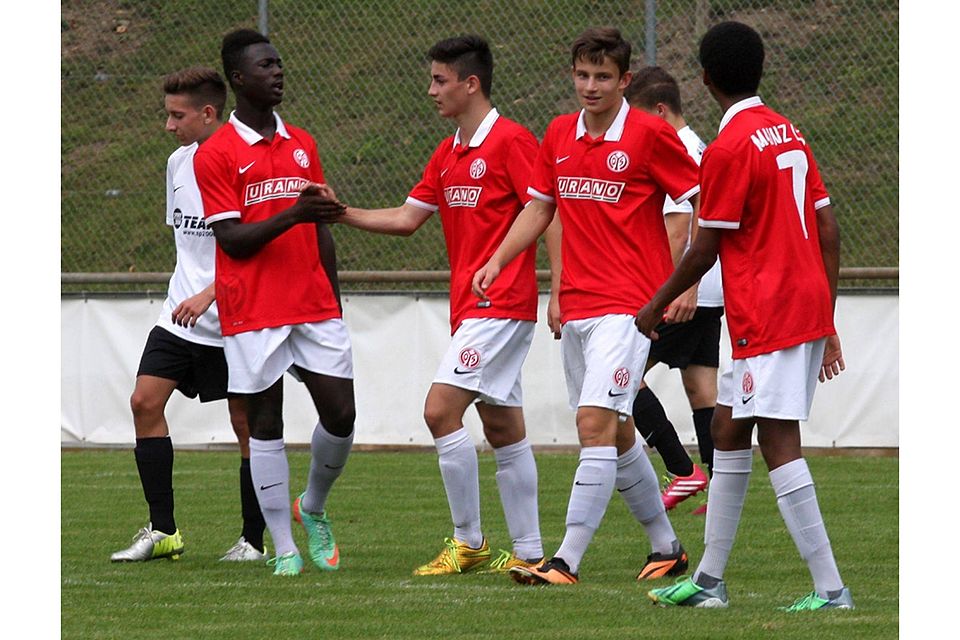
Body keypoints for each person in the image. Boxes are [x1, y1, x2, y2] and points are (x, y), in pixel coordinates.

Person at [473, 27, 699, 586]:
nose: (591, 86)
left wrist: (687, 281)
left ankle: (565, 560)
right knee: (618, 432)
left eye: (603, 76)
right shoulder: (557, 134)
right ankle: (666, 548)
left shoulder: (648, 135)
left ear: (625, 81)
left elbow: (698, 199)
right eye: (582, 75)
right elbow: (539, 207)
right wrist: (500, 258)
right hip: (577, 306)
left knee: (594, 422)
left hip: (630, 308)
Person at [640, 21, 853, 610]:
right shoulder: (789, 131)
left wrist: (656, 303)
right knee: (728, 430)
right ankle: (710, 582)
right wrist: (826, 315)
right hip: (789, 307)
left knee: (779, 438)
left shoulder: (731, 148)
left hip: (770, 313)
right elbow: (828, 228)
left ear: (705, 79)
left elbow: (706, 245)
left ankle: (831, 589)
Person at [336, 35, 544, 576]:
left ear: (470, 83)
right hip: (472, 309)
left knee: (438, 410)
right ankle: (529, 553)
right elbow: (407, 219)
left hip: (500, 305)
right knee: (502, 426)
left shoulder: (513, 142)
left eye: (439, 79)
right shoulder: (449, 152)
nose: (431, 90)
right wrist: (340, 213)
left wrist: (538, 278)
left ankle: (468, 541)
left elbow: (546, 210)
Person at [193, 29, 354, 577]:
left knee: (342, 414)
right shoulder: (214, 154)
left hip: (312, 302)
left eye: (279, 63)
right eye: (265, 66)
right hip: (253, 307)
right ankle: (283, 546)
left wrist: (333, 296)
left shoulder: (303, 142)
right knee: (265, 423)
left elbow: (323, 225)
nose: (278, 72)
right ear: (239, 79)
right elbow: (232, 240)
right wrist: (292, 215)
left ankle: (311, 505)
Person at [110, 67, 267, 564]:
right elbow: (189, 243)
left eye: (177, 116)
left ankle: (253, 541)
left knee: (246, 424)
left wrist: (212, 293)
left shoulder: (246, 166)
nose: (169, 125)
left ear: (208, 112)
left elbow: (258, 248)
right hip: (179, 316)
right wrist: (192, 291)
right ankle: (164, 532)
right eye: (167, 114)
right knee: (143, 401)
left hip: (237, 318)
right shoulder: (178, 163)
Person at [624, 66, 721, 514]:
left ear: (660, 111)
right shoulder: (698, 144)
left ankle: (683, 471)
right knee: (701, 387)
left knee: (623, 377)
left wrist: (667, 291)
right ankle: (719, 488)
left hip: (682, 290)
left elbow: (679, 228)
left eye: (639, 115)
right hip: (709, 290)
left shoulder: (669, 147)